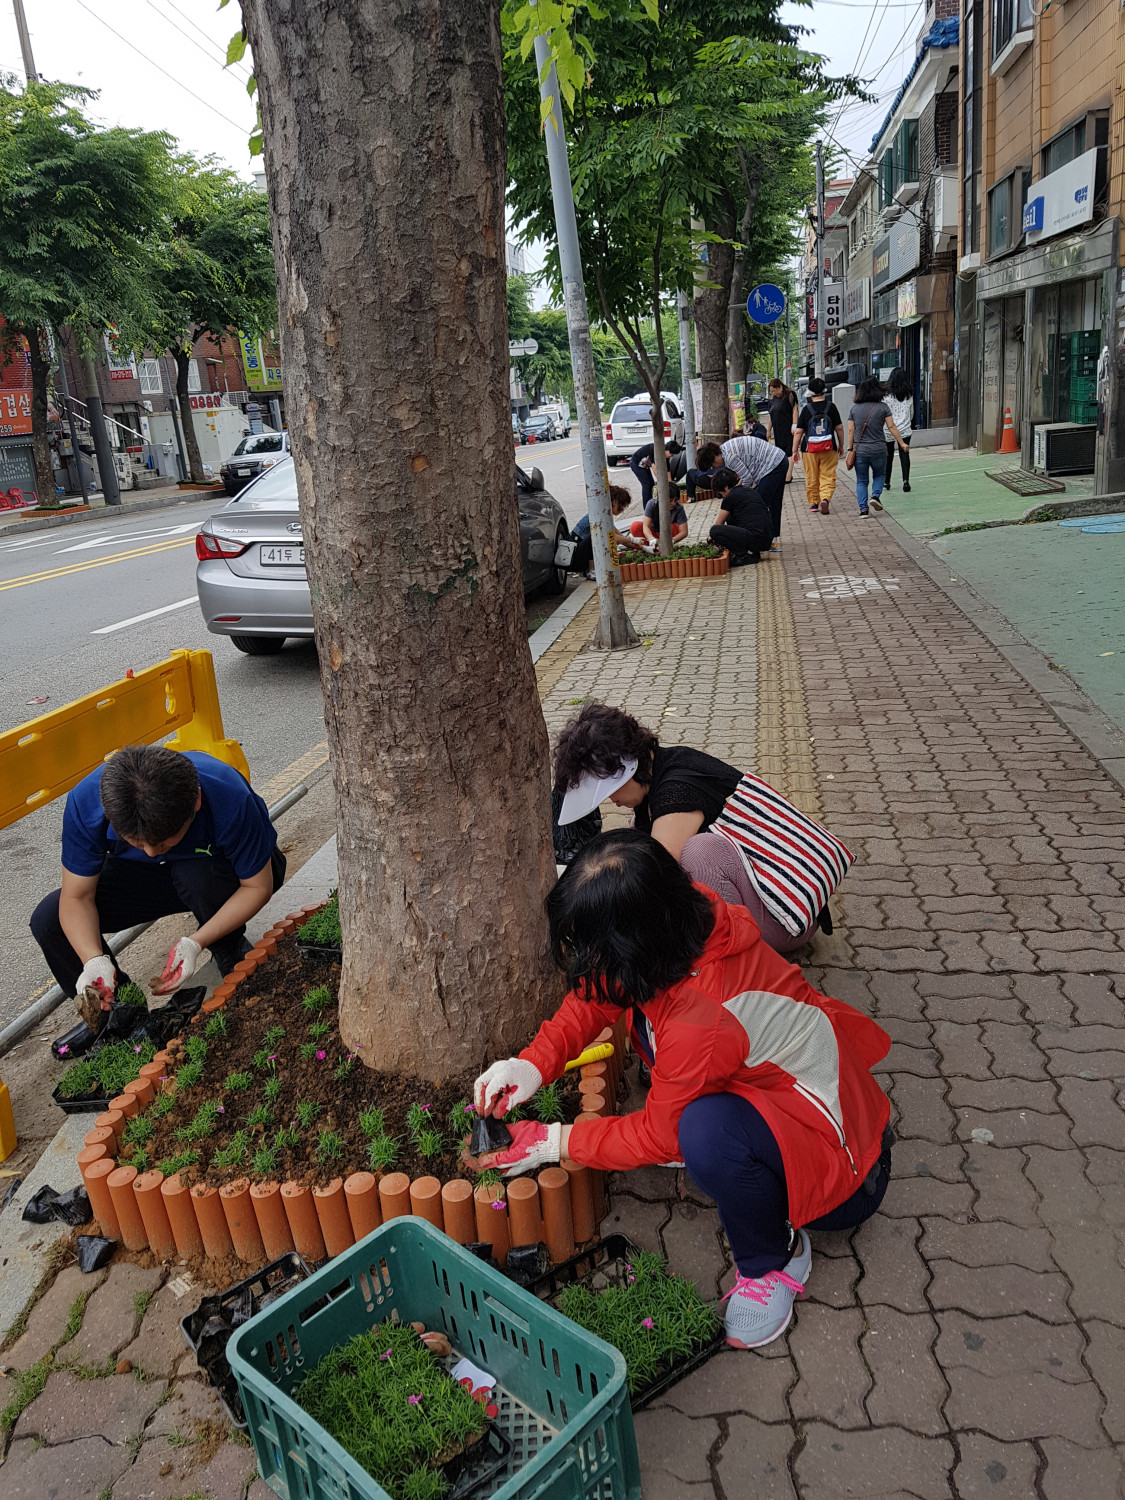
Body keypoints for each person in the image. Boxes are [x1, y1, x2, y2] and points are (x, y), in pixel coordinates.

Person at [470, 830, 892, 1350]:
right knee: (689, 1112)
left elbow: (660, 1136)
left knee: (701, 1135)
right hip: (805, 1103)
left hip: (849, 1175)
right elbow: (601, 995)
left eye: (596, 951)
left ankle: (774, 1260)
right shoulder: (683, 923)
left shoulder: (702, 1016)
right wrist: (532, 1065)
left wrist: (551, 1143)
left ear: (634, 946)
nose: (588, 967)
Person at [552, 702, 851, 953]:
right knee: (640, 838)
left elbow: (652, 885)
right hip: (779, 898)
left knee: (695, 855)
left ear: (625, 771)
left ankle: (740, 957)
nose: (612, 801)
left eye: (609, 792)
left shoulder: (675, 794)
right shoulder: (666, 763)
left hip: (786, 916)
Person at [31, 744, 285, 1028]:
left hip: (220, 874)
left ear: (196, 802)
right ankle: (117, 1015)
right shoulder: (87, 803)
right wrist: (93, 959)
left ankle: (227, 945)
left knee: (196, 876)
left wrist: (196, 942)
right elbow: (77, 897)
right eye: (136, 842)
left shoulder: (226, 792)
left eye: (164, 841)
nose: (151, 851)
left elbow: (257, 886)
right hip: (149, 876)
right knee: (49, 918)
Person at [847, 377, 909, 517]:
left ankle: (863, 510)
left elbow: (851, 430)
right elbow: (891, 426)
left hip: (861, 451)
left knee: (862, 480)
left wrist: (850, 449)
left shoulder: (854, 409)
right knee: (880, 475)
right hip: (879, 449)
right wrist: (902, 443)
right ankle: (875, 496)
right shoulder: (883, 407)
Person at [719, 432, 788, 544]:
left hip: (772, 465)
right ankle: (773, 536)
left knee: (759, 504)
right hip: (779, 458)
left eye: (712, 465)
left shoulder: (728, 457)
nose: (715, 467)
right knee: (774, 502)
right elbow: (744, 475)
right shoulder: (725, 448)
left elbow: (746, 478)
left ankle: (763, 538)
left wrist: (739, 495)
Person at [792, 377, 844, 516]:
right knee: (828, 475)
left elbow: (798, 432)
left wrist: (794, 450)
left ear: (810, 392)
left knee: (811, 476)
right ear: (824, 391)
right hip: (829, 447)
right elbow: (839, 428)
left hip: (809, 449)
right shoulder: (831, 407)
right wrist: (841, 445)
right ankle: (825, 498)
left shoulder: (806, 409)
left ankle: (814, 503)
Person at [708, 467, 772, 568]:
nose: (723, 496)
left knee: (715, 531)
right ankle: (750, 551)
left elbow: (718, 524)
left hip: (755, 538)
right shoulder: (749, 490)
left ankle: (744, 555)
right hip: (766, 539)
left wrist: (710, 540)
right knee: (730, 516)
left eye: (721, 493)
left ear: (726, 487)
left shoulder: (730, 498)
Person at [569, 485, 632, 579]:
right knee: (598, 535)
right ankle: (592, 570)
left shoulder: (605, 515)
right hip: (574, 558)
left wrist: (642, 547)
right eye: (621, 507)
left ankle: (594, 567)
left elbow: (619, 536)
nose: (622, 510)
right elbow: (613, 537)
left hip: (580, 554)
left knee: (604, 537)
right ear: (614, 503)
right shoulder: (598, 516)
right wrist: (631, 539)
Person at [882, 367, 914, 492]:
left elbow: (884, 413)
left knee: (888, 455)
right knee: (904, 454)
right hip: (905, 429)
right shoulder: (909, 395)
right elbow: (911, 413)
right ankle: (905, 481)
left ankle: (886, 482)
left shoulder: (886, 396)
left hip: (889, 429)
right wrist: (907, 422)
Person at [629, 437, 684, 506]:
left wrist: (670, 483)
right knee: (647, 485)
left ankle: (651, 503)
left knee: (651, 484)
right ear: (667, 450)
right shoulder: (656, 450)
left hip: (645, 465)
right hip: (636, 464)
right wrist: (661, 482)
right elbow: (655, 468)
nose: (671, 456)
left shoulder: (665, 455)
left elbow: (667, 469)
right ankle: (646, 507)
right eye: (671, 454)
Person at [764, 380, 798, 483]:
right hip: (778, 429)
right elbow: (771, 415)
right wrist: (768, 430)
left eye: (774, 391)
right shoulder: (773, 400)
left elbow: (795, 409)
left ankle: (788, 475)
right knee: (781, 452)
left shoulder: (789, 394)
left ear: (780, 387)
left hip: (787, 428)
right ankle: (783, 473)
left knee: (789, 451)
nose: (773, 394)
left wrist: (794, 425)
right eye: (771, 392)